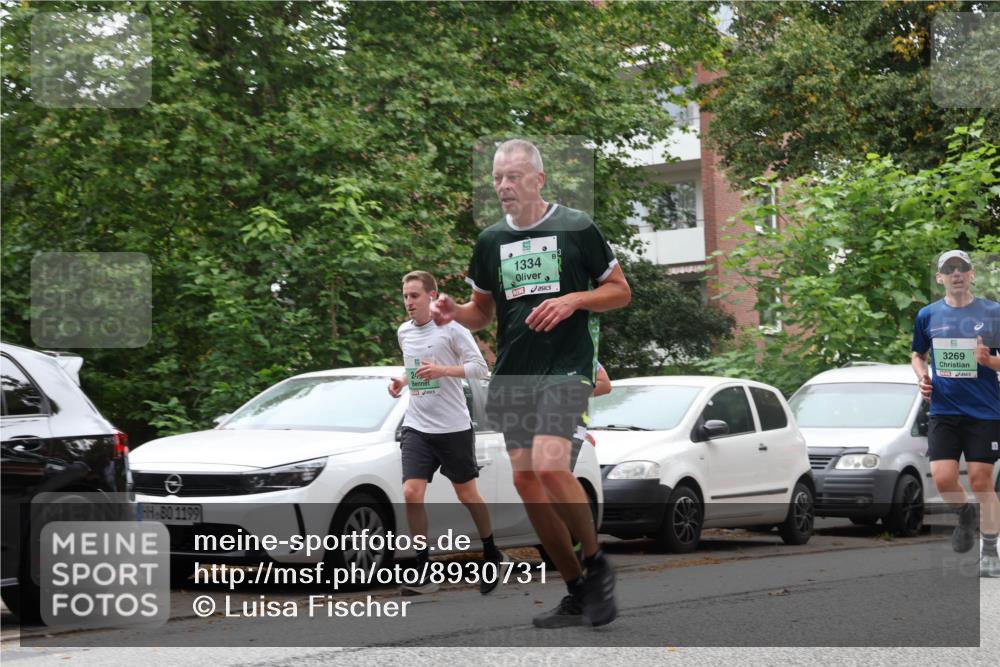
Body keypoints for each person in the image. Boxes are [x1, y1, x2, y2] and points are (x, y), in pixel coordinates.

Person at [432, 139, 631, 627]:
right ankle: (576, 589)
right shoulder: (490, 241)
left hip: (566, 366)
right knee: (526, 483)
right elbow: (481, 313)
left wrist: (574, 301)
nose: (504, 185)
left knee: (548, 466)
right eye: (498, 177)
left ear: (539, 180)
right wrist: (452, 313)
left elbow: (619, 292)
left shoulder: (577, 227)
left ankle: (596, 561)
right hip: (515, 374)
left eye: (514, 176)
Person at [388, 270, 506, 594]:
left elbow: (480, 369)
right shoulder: (404, 332)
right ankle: (422, 569)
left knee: (466, 494)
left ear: (430, 296)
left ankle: (491, 550)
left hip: (453, 426)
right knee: (412, 493)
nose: (408, 302)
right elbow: (415, 369)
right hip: (417, 425)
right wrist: (403, 381)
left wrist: (443, 370)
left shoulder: (453, 329)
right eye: (405, 296)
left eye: (414, 296)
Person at [911, 249, 1000, 578]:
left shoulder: (993, 313)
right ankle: (966, 514)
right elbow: (917, 355)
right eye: (949, 269)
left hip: (984, 412)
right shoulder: (928, 315)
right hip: (944, 409)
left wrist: (989, 361)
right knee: (945, 479)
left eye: (962, 268)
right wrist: (923, 377)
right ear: (940, 278)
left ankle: (990, 550)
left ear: (972, 273)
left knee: (980, 480)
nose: (956, 274)